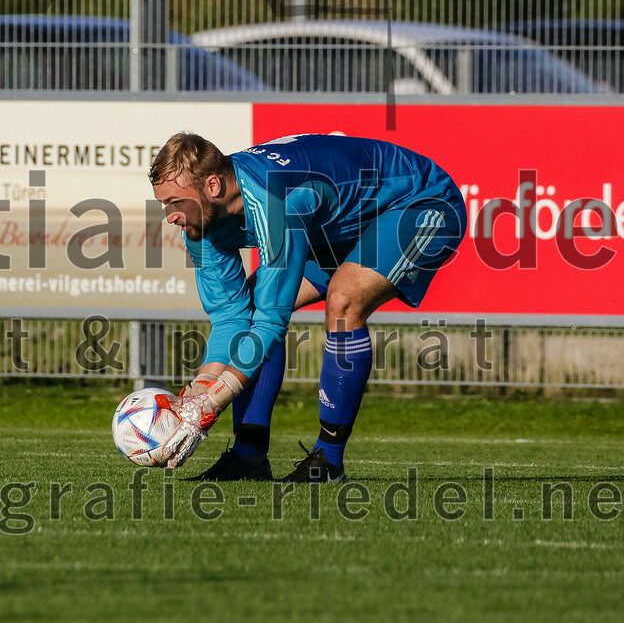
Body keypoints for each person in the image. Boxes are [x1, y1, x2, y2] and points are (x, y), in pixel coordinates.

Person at [148, 132, 467, 482]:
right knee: (252, 307)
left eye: (175, 202)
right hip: (340, 228)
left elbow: (271, 321)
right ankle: (249, 456)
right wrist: (201, 387)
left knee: (343, 301)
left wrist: (213, 402)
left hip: (421, 200)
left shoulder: (277, 200)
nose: (170, 216)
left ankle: (328, 461)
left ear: (213, 186)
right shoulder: (200, 223)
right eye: (164, 204)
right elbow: (229, 317)